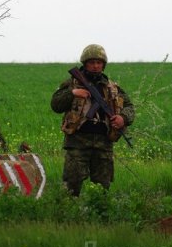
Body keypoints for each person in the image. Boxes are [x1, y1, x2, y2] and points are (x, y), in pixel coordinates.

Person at [50, 44, 135, 196]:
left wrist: (123, 118)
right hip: (77, 142)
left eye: (99, 63)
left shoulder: (112, 87)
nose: (95, 66)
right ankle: (69, 216)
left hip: (103, 143)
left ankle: (99, 214)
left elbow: (129, 107)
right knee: (72, 184)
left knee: (103, 187)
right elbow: (55, 104)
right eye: (91, 62)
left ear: (103, 65)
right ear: (85, 63)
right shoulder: (72, 83)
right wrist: (73, 93)